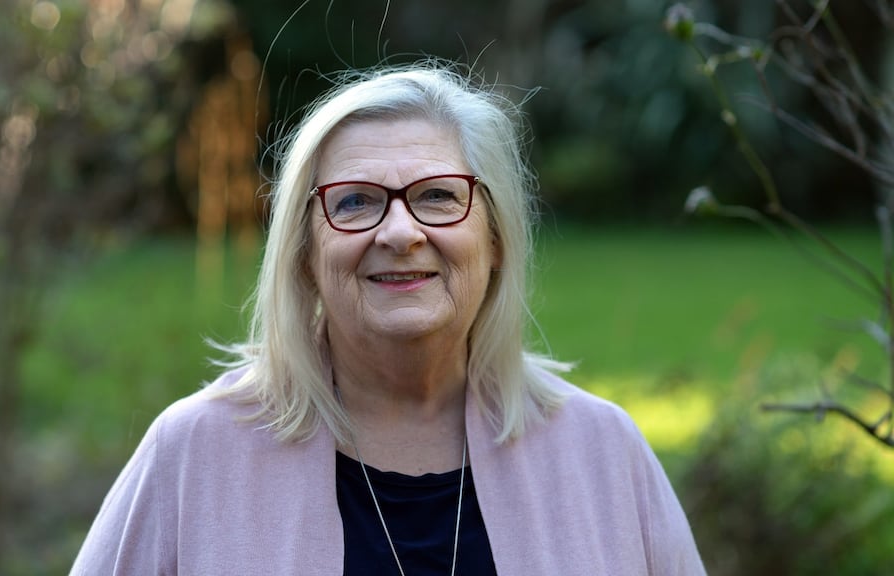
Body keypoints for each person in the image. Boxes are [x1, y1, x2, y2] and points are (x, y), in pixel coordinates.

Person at [71, 60, 706, 575]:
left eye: (437, 196)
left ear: (496, 240)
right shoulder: (195, 455)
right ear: (304, 254)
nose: (401, 232)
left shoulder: (602, 453)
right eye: (354, 202)